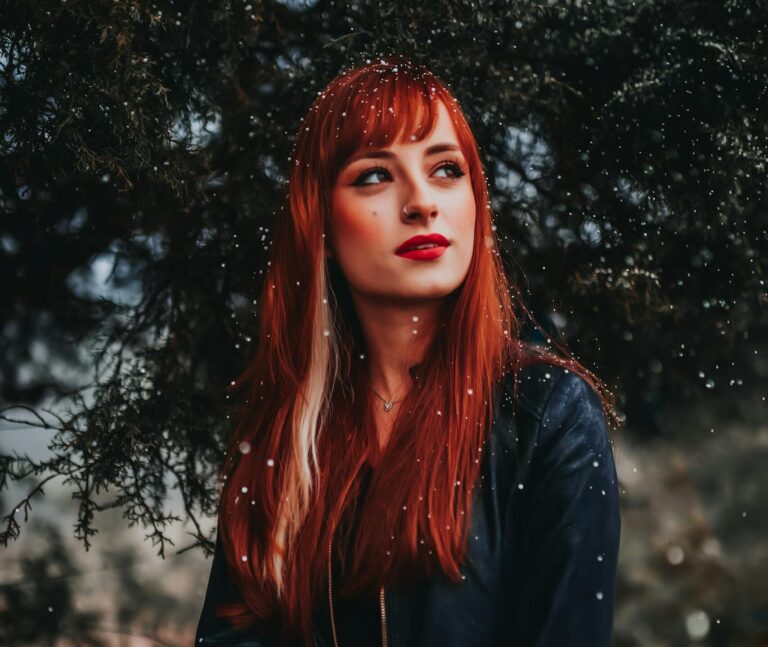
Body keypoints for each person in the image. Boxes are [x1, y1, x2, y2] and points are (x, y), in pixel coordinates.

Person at [195, 55, 622, 647]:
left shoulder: (547, 414)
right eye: (375, 175)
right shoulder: (287, 436)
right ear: (319, 222)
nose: (422, 202)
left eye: (446, 169)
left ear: (477, 200)